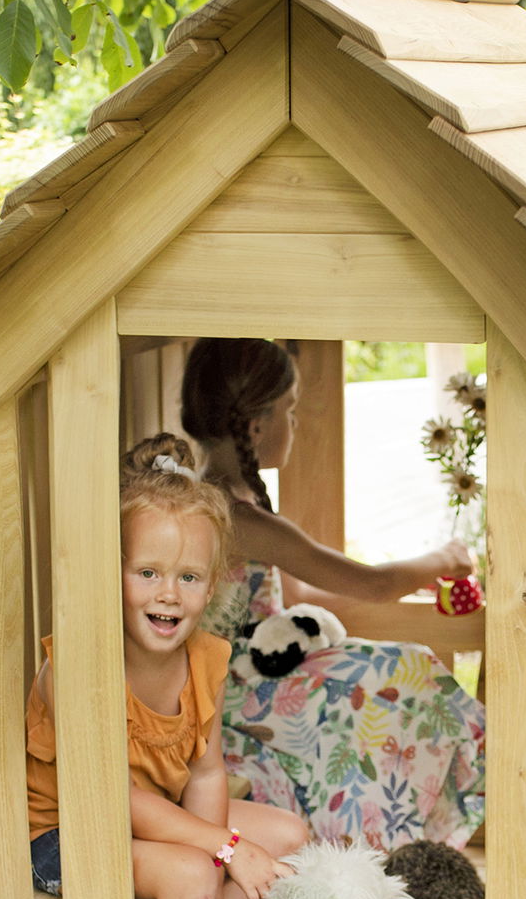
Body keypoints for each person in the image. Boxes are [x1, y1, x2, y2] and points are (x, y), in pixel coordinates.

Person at [24, 434, 309, 899]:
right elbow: (113, 802)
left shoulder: (205, 658)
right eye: (147, 572)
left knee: (288, 834)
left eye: (188, 577)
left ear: (212, 587)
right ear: (110, 573)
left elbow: (206, 770)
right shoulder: (80, 664)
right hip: (69, 831)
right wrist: (220, 853)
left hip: (152, 820)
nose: (168, 594)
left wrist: (223, 843)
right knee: (192, 871)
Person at [181, 338, 486, 851]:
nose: (295, 424)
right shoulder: (235, 517)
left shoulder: (232, 498)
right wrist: (444, 559)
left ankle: (390, 840)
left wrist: (415, 578)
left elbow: (300, 596)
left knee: (390, 668)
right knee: (410, 672)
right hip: (231, 693)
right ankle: (381, 844)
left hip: (260, 668)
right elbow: (369, 582)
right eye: (290, 410)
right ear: (256, 424)